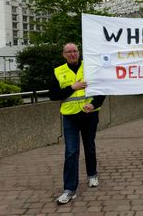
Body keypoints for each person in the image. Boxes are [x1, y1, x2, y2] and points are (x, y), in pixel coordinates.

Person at [49, 43, 106, 204]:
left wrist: (93, 104)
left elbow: (102, 89)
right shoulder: (58, 71)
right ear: (64, 54)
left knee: (89, 146)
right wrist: (72, 87)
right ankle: (69, 189)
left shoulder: (90, 68)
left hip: (89, 114)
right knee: (71, 152)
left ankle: (92, 174)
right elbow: (53, 94)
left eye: (75, 51)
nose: (72, 54)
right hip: (70, 117)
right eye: (69, 52)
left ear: (79, 53)